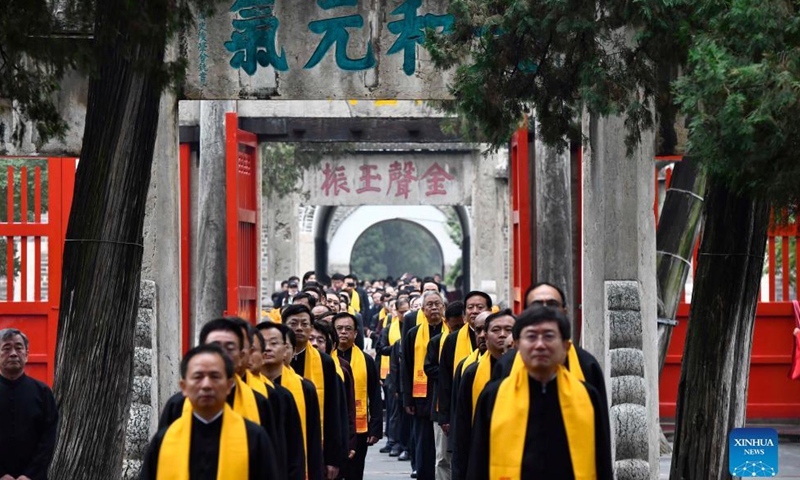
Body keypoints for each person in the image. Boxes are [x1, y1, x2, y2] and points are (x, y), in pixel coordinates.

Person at [466, 306, 613, 480]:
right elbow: (478, 463)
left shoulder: (587, 395)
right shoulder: (493, 396)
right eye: (531, 336)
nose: (540, 345)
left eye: (549, 336)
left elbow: (602, 461)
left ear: (566, 346)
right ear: (518, 344)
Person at [158, 318, 287, 479]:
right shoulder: (175, 408)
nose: (221, 353)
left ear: (242, 356)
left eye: (229, 348)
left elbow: (274, 464)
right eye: (215, 347)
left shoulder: (258, 411)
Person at [493, 283, 608, 411]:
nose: (545, 311)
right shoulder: (505, 365)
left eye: (552, 305)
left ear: (564, 311)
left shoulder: (587, 365)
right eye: (536, 305)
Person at [285, 304, 347, 480]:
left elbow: (333, 412)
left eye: (304, 324)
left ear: (311, 328)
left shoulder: (325, 362)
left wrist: (334, 458)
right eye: (293, 323)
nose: (299, 328)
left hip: (315, 445)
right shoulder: (274, 361)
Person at [450, 310, 514, 480]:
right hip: (480, 458)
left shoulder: (531, 373)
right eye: (496, 330)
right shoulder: (471, 372)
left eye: (509, 330)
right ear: (485, 337)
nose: (502, 335)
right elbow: (462, 428)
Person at [258, 322, 324, 480]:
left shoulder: (303, 388)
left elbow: (311, 438)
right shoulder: (246, 390)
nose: (267, 348)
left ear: (288, 349)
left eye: (274, 343)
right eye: (261, 343)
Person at [402, 291, 450, 480]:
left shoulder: (451, 333)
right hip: (421, 396)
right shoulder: (413, 334)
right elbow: (406, 366)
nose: (434, 308)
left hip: (443, 394)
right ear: (422, 310)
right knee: (423, 442)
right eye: (429, 305)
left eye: (437, 304)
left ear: (443, 307)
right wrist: (407, 398)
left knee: (443, 446)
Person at [0, 329, 58, 480]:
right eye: (6, 348)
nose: (13, 353)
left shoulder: (43, 392)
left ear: (27, 354)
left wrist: (29, 475)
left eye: (19, 348)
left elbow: (48, 439)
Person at [332, 313, 383, 479]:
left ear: (355, 333)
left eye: (348, 329)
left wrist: (375, 426)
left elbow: (374, 394)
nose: (343, 332)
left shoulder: (366, 360)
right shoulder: (326, 359)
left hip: (360, 427)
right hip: (333, 425)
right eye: (339, 328)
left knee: (355, 471)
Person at [424, 300, 463, 480]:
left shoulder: (476, 342)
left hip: (464, 405)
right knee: (442, 457)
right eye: (454, 328)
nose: (458, 332)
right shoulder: (438, 342)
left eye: (461, 327)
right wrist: (449, 372)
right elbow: (429, 368)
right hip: (443, 405)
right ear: (446, 322)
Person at [438, 293, 487, 439]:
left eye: (480, 307)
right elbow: (445, 378)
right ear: (464, 314)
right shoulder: (453, 339)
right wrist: (444, 416)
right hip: (461, 408)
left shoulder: (498, 339)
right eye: (470, 307)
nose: (475, 311)